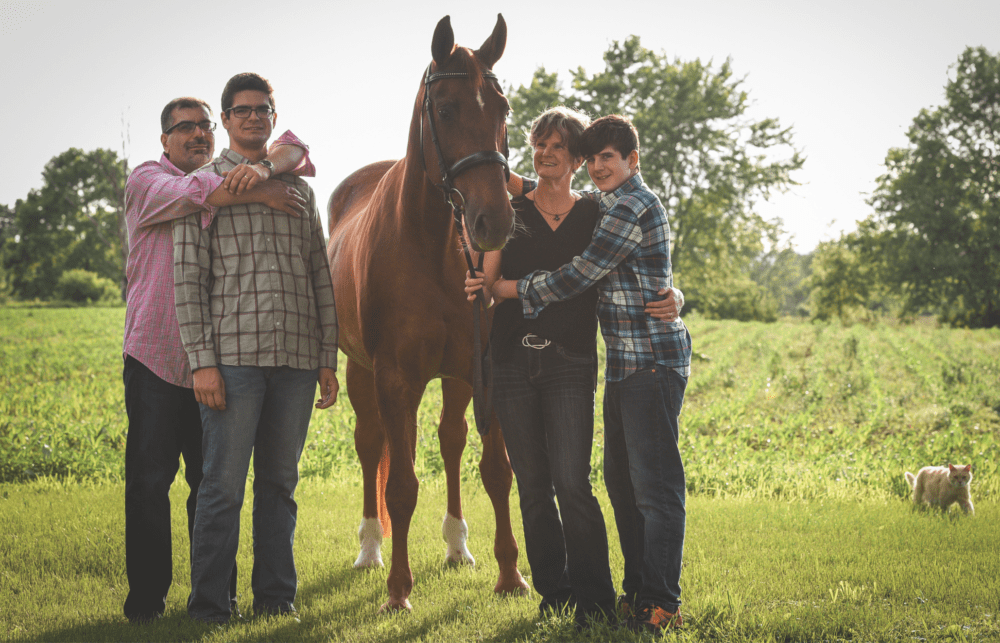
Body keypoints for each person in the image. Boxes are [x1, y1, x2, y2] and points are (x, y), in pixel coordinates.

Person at [486, 114, 692, 634]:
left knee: (638, 489)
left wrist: (509, 289)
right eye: (594, 157)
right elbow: (543, 186)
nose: (599, 166)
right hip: (613, 364)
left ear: (630, 161)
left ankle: (645, 599)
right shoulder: (569, 205)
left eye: (607, 158)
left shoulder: (617, 207)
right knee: (612, 487)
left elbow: (586, 273)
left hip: (625, 360)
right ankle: (616, 594)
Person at [122, 95, 314, 624]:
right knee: (149, 482)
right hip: (159, 356)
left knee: (210, 486)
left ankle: (214, 597)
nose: (197, 134)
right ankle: (147, 604)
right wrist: (260, 185)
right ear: (164, 140)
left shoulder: (231, 173)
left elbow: (297, 148)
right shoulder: (148, 180)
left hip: (219, 358)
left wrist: (264, 170)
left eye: (204, 126)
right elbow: (193, 194)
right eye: (184, 128)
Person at [173, 73, 339, 625]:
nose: (252, 117)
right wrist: (202, 363)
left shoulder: (299, 189)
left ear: (272, 114)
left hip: (295, 360)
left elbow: (320, 273)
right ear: (224, 119)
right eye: (241, 110)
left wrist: (327, 357)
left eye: (262, 109)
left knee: (280, 486)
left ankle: (275, 600)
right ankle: (210, 608)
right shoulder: (203, 187)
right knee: (221, 487)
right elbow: (188, 282)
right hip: (233, 360)